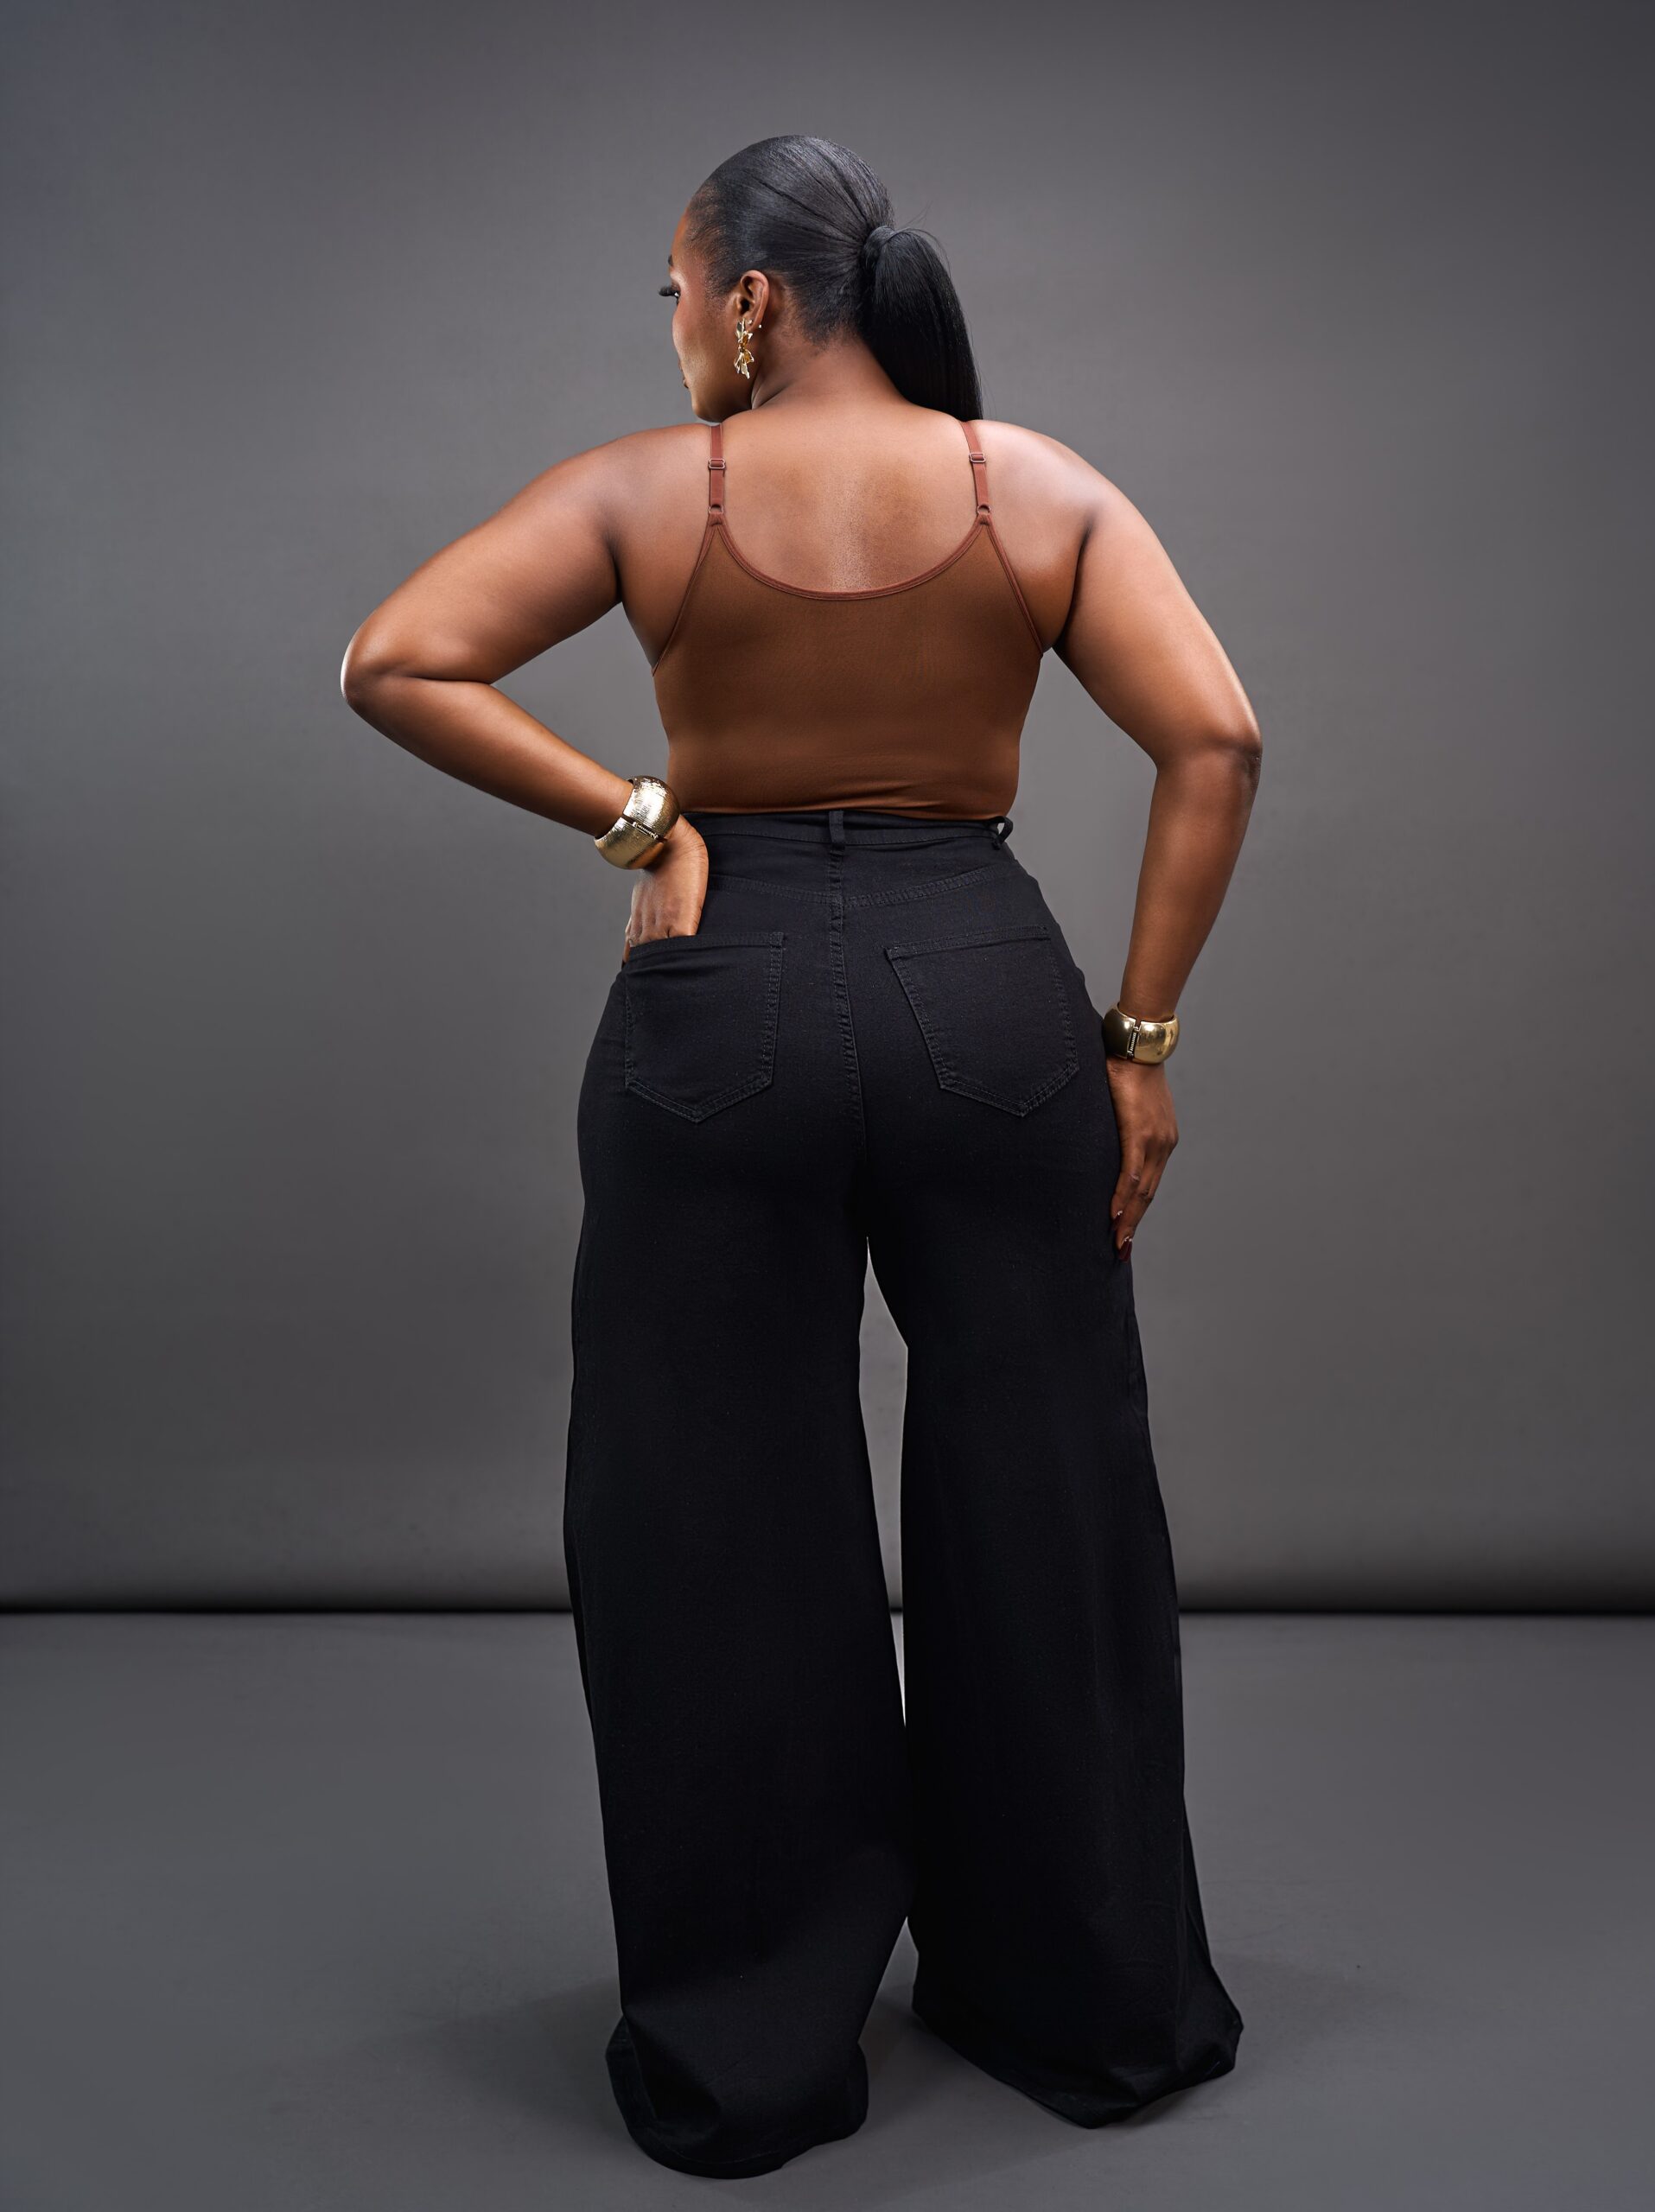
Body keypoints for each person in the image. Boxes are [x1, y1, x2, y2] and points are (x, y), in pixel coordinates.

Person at [341, 133, 1262, 2181]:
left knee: (713, 1522)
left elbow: (392, 657)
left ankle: (751, 2046)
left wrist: (641, 819)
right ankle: (1087, 2003)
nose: (669, 326)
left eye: (676, 290)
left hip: (720, 996)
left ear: (751, 299)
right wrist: (1137, 1042)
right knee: (1048, 1499)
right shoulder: (1039, 487)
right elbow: (1218, 737)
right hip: (985, 997)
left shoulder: (643, 489)